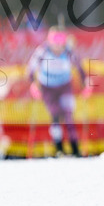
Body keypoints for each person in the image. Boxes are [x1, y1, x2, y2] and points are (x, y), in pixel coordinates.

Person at [26, 27, 91, 157]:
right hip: (48, 88)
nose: (58, 45)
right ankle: (59, 147)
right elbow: (31, 69)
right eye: (55, 40)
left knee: (68, 115)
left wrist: (86, 84)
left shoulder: (68, 52)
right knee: (55, 115)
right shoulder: (42, 51)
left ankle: (75, 148)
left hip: (64, 86)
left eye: (61, 40)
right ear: (49, 40)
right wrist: (33, 84)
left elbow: (80, 67)